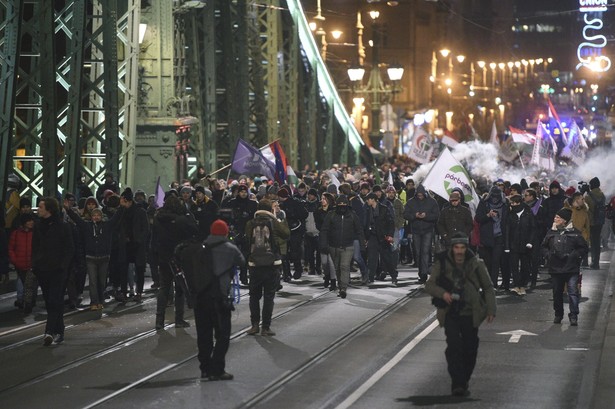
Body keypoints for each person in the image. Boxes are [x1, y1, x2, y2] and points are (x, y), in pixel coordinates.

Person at [425, 232, 496, 397]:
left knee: (470, 348)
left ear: (466, 248)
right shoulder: (442, 263)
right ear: (452, 248)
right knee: (454, 347)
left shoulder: (476, 264)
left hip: (471, 312)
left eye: (462, 247)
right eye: (456, 247)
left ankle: (464, 379)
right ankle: (458, 383)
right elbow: (429, 285)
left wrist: (491, 309)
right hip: (450, 312)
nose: (459, 251)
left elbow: (488, 287)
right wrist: (443, 294)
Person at [193, 219, 245, 381]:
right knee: (223, 334)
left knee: (204, 334)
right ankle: (217, 368)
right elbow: (242, 262)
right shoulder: (230, 248)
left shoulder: (200, 248)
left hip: (201, 297)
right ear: (226, 233)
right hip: (219, 297)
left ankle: (205, 369)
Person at [32, 197, 74, 345]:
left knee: (54, 299)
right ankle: (60, 330)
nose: (38, 209)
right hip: (42, 270)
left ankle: (49, 331)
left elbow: (69, 249)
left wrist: (63, 266)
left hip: (57, 270)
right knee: (51, 302)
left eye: (41, 207)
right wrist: (35, 264)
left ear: (49, 209)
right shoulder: (38, 226)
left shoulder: (63, 227)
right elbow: (35, 247)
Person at [152, 195, 199, 330]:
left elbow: (154, 239)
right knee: (180, 288)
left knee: (164, 288)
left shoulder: (158, 219)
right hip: (179, 257)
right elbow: (195, 230)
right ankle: (179, 319)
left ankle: (159, 321)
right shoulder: (182, 219)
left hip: (163, 257)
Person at [245, 199, 289, 336]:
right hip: (272, 264)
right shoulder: (274, 222)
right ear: (271, 209)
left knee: (254, 296)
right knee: (269, 296)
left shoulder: (250, 223)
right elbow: (286, 234)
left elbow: (247, 240)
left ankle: (254, 325)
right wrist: (277, 217)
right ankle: (265, 327)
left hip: (254, 265)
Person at [542, 208, 588, 325]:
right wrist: (548, 255)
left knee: (572, 292)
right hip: (555, 268)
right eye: (555, 217)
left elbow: (583, 248)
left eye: (558, 217)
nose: (555, 219)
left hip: (571, 268)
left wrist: (574, 256)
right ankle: (558, 314)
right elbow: (544, 246)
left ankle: (573, 315)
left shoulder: (574, 233)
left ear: (564, 220)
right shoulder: (551, 232)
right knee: (557, 293)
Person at [320, 195, 365, 298]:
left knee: (344, 266)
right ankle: (341, 286)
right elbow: (324, 230)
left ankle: (343, 288)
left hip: (348, 246)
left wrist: (362, 244)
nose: (342, 207)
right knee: (337, 268)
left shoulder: (353, 216)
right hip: (333, 246)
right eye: (340, 205)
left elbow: (359, 230)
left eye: (344, 205)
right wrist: (323, 244)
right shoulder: (331, 215)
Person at [403, 185, 440, 284]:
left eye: (421, 195)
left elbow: (436, 215)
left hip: (427, 230)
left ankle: (423, 274)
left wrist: (426, 216)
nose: (420, 196)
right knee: (418, 252)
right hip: (416, 230)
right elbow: (405, 214)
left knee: (425, 251)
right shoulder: (411, 202)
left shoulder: (432, 202)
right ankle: (422, 271)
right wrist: (414, 216)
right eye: (418, 195)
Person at [475, 185, 509, 290]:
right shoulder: (484, 203)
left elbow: (507, 222)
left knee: (496, 261)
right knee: (487, 262)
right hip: (486, 237)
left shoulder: (505, 205)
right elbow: (478, 218)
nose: (495, 198)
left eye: (496, 196)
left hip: (499, 236)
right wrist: (487, 215)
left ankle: (493, 284)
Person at [505, 194, 536, 296]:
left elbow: (532, 229)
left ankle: (522, 285)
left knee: (525, 266)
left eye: (514, 203)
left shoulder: (528, 213)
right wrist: (507, 246)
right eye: (511, 203)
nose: (512, 205)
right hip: (514, 245)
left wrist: (530, 242)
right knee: (514, 266)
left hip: (525, 245)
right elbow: (507, 231)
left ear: (519, 203)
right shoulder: (510, 215)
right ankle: (517, 285)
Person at [364, 192, 398, 284]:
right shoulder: (367, 209)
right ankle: (371, 278)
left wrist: (390, 235)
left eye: (368, 199)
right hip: (373, 236)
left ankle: (393, 275)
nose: (367, 201)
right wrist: (366, 237)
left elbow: (391, 223)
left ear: (373, 199)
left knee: (386, 258)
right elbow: (366, 224)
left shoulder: (384, 209)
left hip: (383, 237)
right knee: (372, 258)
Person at [584, 177, 606, 269]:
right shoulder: (602, 195)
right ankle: (596, 261)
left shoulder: (588, 196)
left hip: (591, 221)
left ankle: (593, 262)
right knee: (597, 241)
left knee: (592, 242)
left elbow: (586, 208)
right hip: (600, 221)